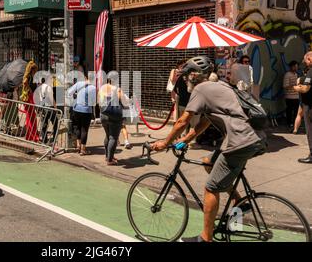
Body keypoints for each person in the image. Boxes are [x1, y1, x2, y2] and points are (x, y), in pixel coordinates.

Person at [150, 56, 267, 242]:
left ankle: (206, 238)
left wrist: (165, 142)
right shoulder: (221, 85)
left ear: (195, 75)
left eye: (187, 75)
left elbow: (182, 121)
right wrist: (186, 140)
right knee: (208, 162)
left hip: (240, 141)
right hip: (253, 138)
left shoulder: (201, 89)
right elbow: (205, 121)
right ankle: (238, 201)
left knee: (211, 187)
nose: (186, 79)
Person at [98, 72, 129, 165]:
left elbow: (98, 101)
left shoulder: (102, 88)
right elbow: (124, 101)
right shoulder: (117, 89)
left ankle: (108, 156)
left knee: (108, 136)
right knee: (113, 137)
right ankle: (110, 160)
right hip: (114, 116)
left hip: (103, 115)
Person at [68, 75, 96, 155]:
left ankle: (78, 147)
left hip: (76, 109)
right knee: (84, 129)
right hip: (86, 111)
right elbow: (93, 102)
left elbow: (69, 92)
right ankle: (83, 150)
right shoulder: (93, 88)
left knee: (78, 128)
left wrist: (76, 96)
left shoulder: (79, 84)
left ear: (85, 78)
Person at [293, 52, 312, 164]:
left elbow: (305, 89)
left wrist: (296, 88)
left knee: (310, 131)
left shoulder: (310, 71)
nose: (304, 63)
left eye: (305, 61)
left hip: (309, 106)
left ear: (309, 59)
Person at [34, 76, 58, 144]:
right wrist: (55, 107)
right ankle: (54, 139)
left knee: (44, 124)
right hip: (49, 107)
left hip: (43, 107)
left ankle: (44, 140)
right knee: (55, 123)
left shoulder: (40, 87)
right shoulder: (49, 87)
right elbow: (51, 98)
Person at [21, 60, 39, 142]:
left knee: (31, 118)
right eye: (34, 69)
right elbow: (25, 83)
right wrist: (29, 88)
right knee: (31, 118)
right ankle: (32, 136)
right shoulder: (29, 77)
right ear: (31, 69)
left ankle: (31, 135)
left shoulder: (30, 77)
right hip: (29, 99)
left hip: (30, 99)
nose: (35, 71)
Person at [283, 61, 300, 130]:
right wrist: (294, 86)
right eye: (295, 66)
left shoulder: (296, 74)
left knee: (296, 111)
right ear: (291, 67)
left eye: (297, 66)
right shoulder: (287, 75)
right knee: (289, 110)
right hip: (289, 96)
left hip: (296, 96)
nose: (296, 68)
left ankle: (295, 123)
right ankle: (289, 123)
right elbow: (285, 86)